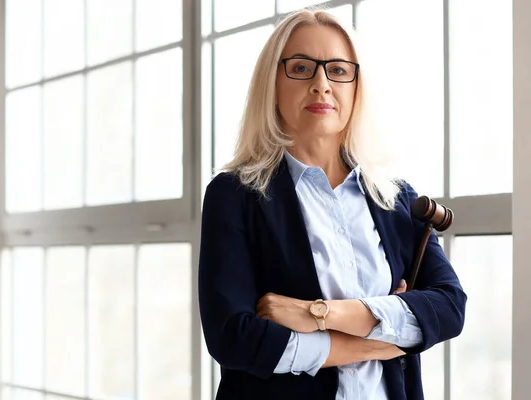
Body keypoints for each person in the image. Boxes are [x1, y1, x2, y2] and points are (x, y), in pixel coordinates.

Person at [198, 8, 466, 400]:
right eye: (302, 68)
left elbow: (448, 307)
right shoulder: (234, 195)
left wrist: (316, 314)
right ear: (272, 82)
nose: (321, 84)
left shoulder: (395, 197)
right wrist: (383, 337)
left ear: (357, 87)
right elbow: (234, 338)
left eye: (338, 70)